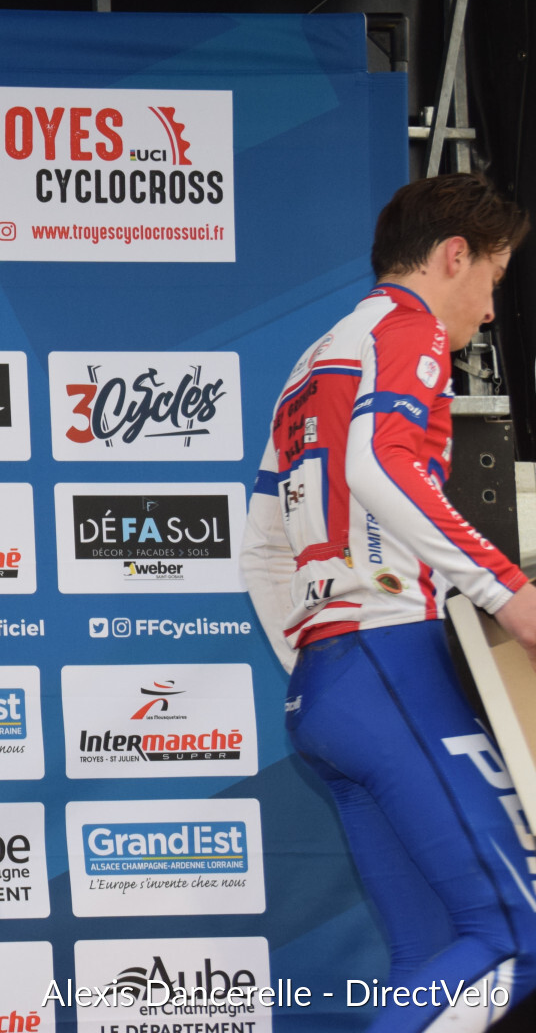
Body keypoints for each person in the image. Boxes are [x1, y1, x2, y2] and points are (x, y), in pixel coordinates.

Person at [241, 172, 536, 1031]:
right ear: (455, 256)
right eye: (493, 280)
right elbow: (381, 464)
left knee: (430, 951)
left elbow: (259, 551)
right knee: (519, 937)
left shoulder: (315, 356)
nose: (490, 311)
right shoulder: (408, 328)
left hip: (333, 688)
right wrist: (511, 594)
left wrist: (324, 660)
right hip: (390, 664)